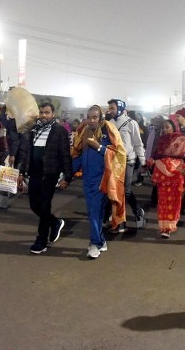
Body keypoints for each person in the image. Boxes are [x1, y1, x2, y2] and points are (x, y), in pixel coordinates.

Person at [71, 105, 126, 259]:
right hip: (87, 179)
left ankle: (94, 243)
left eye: (95, 117)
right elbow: (78, 153)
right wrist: (68, 174)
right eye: (89, 117)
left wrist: (99, 147)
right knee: (96, 212)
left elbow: (120, 154)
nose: (91, 120)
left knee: (94, 213)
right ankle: (101, 241)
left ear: (101, 118)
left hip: (102, 180)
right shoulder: (83, 130)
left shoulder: (109, 130)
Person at [18, 102, 73, 254]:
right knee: (34, 205)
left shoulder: (59, 131)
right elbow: (27, 153)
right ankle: (55, 222)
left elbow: (65, 155)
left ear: (53, 114)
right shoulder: (34, 130)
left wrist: (67, 177)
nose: (43, 115)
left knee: (44, 206)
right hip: (34, 173)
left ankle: (41, 241)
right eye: (41, 112)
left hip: (49, 174)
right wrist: (21, 172)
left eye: (47, 112)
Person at [104, 99, 146, 232]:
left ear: (120, 108)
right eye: (109, 108)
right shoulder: (109, 123)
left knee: (125, 191)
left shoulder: (131, 123)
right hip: (114, 162)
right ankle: (117, 220)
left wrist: (143, 161)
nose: (110, 111)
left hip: (128, 161)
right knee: (113, 191)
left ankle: (137, 213)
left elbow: (138, 143)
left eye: (112, 108)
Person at [147, 118, 185, 239]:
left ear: (174, 127)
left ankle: (171, 225)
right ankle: (164, 228)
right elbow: (155, 155)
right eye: (163, 127)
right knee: (162, 201)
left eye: (167, 127)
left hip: (177, 174)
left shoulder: (182, 139)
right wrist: (149, 162)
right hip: (162, 174)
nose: (165, 129)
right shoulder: (160, 140)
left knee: (175, 201)